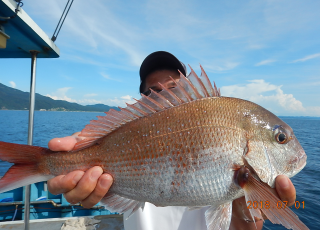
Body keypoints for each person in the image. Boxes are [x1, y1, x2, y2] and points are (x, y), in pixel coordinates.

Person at [47, 51, 297, 230]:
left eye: (174, 88)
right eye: (152, 93)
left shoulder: (225, 130)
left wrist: (247, 216)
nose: (164, 95)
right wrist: (81, 151)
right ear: (142, 101)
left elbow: (241, 226)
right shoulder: (125, 134)